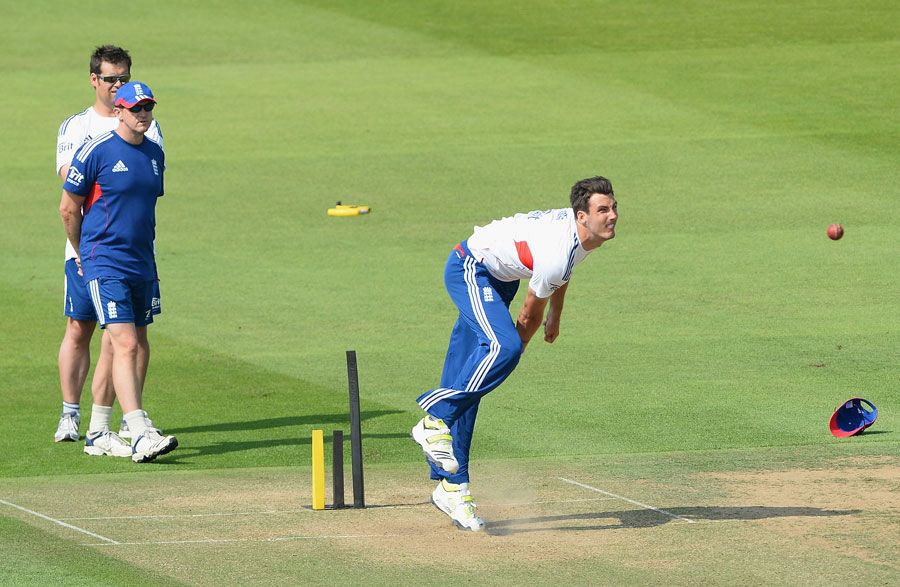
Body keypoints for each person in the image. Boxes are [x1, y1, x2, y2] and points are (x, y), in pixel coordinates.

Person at [411, 176, 619, 531]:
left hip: (501, 277)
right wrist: (509, 358)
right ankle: (434, 419)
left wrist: (557, 312)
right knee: (502, 349)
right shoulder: (561, 249)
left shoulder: (583, 238)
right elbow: (528, 316)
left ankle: (452, 486)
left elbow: (562, 271)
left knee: (468, 379)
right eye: (604, 210)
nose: (613, 215)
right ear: (581, 216)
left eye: (614, 207)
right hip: (470, 269)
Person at [59, 81, 177, 463]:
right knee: (123, 343)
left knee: (135, 344)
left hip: (142, 262)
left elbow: (143, 211)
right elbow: (68, 207)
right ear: (119, 112)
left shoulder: (155, 154)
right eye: (136, 108)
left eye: (148, 108)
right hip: (103, 262)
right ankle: (139, 431)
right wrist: (83, 253)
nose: (144, 114)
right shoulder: (97, 151)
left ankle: (98, 431)